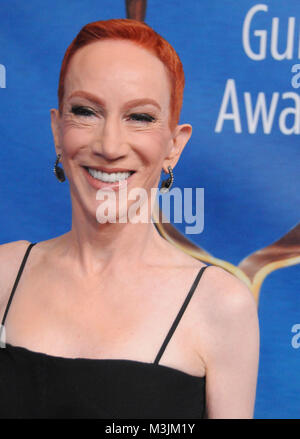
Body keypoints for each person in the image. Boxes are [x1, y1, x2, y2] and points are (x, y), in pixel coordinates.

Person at [0, 19, 259, 419]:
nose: (109, 146)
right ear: (57, 129)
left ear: (175, 145)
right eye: (86, 111)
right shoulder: (4, 273)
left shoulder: (220, 305)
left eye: (139, 117)